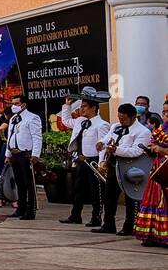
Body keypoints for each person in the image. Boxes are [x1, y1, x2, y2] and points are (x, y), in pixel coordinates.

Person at [95, 103, 153, 236]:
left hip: (131, 167)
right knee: (109, 196)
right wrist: (101, 143)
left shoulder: (143, 131)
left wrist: (117, 150)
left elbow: (136, 151)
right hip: (114, 164)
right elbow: (108, 138)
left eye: (124, 118)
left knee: (130, 198)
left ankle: (130, 226)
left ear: (133, 117)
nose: (121, 121)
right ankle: (108, 224)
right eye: (119, 117)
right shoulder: (116, 126)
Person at [59, 87, 111, 227]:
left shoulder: (102, 124)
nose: (82, 109)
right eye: (81, 106)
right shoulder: (80, 120)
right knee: (78, 189)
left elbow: (102, 146)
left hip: (93, 160)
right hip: (81, 160)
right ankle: (75, 215)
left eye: (85, 107)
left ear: (94, 108)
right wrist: (67, 105)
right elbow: (66, 121)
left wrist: (101, 163)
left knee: (96, 191)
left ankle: (96, 217)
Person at [134, 97, 168, 247]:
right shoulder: (162, 128)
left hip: (166, 168)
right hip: (157, 168)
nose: (165, 115)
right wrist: (152, 148)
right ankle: (152, 235)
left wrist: (162, 150)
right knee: (152, 200)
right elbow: (154, 141)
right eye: (164, 112)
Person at [5, 93, 44, 220]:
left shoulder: (32, 118)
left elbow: (37, 137)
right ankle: (20, 208)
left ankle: (30, 210)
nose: (13, 106)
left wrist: (35, 155)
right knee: (19, 183)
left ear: (23, 104)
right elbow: (10, 136)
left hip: (26, 154)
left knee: (29, 183)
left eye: (16, 104)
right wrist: (8, 154)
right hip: (15, 154)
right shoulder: (13, 119)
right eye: (12, 104)